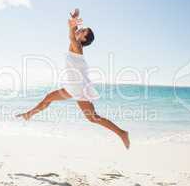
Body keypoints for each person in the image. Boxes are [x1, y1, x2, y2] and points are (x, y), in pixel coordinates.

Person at [16, 9, 130, 149]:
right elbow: (73, 34)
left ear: (83, 39)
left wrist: (71, 26)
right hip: (73, 86)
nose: (80, 30)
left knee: (92, 117)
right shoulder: (76, 44)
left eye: (82, 31)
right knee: (50, 98)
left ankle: (122, 133)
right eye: (81, 29)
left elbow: (71, 37)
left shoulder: (77, 46)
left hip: (78, 88)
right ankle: (28, 114)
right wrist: (75, 20)